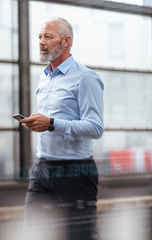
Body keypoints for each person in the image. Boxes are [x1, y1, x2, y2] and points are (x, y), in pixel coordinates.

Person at [20, 17, 104, 240]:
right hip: (42, 168)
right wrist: (38, 123)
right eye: (40, 37)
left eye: (48, 36)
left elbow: (95, 127)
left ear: (66, 41)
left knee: (78, 236)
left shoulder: (85, 78)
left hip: (76, 171)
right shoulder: (44, 77)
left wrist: (51, 124)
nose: (41, 42)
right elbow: (50, 123)